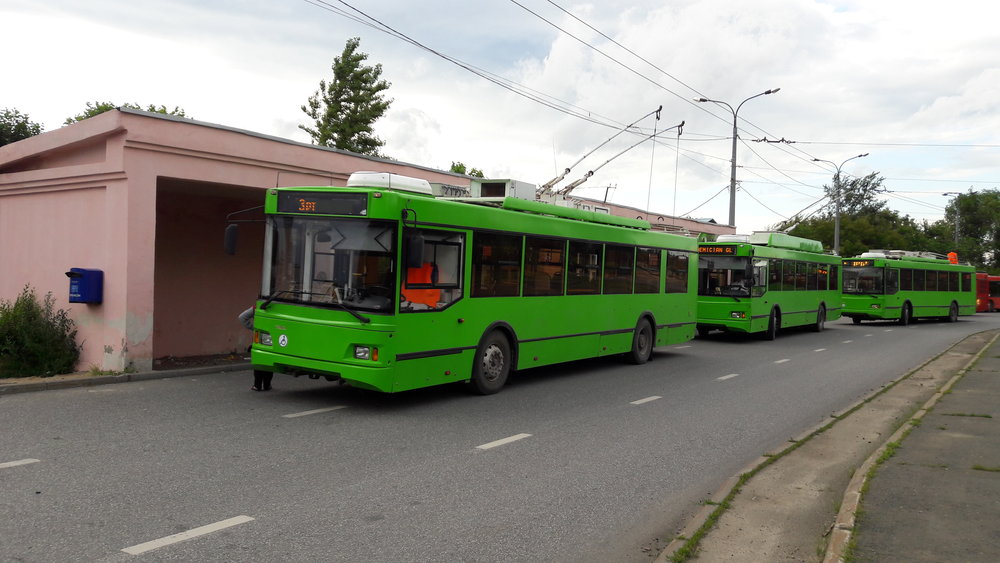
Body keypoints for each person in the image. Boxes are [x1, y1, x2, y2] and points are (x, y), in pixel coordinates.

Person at [239, 306, 273, 392]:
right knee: (269, 360)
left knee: (259, 360)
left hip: (259, 337)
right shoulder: (279, 306)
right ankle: (267, 384)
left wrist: (254, 328)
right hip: (272, 337)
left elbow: (242, 317)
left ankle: (257, 385)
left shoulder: (257, 307)